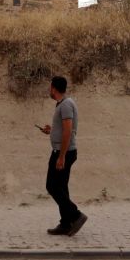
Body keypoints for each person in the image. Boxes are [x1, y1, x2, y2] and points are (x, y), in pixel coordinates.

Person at [38, 75, 87, 236]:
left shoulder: (66, 105)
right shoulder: (63, 104)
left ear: (54, 88)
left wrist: (61, 157)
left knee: (51, 186)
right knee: (61, 188)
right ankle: (66, 223)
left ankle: (76, 215)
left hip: (62, 152)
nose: (49, 90)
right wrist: (51, 131)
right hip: (63, 151)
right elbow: (62, 130)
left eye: (50, 87)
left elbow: (68, 131)